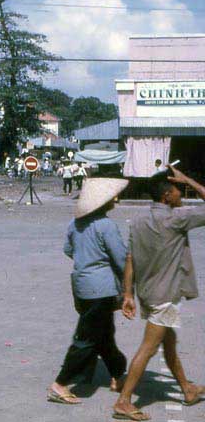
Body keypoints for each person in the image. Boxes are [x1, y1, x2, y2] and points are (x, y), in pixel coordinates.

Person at [113, 166, 205, 421]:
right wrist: (188, 177)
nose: (181, 194)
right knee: (148, 348)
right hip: (165, 297)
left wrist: (128, 293)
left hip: (147, 293)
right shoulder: (177, 218)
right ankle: (124, 400)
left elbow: (130, 258)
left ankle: (187, 389)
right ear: (167, 195)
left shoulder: (138, 220)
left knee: (169, 343)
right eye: (178, 190)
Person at [49, 178, 129, 405]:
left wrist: (86, 260)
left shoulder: (74, 224)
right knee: (86, 338)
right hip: (101, 289)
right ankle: (60, 383)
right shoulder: (106, 225)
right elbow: (122, 259)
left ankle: (117, 374)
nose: (116, 199)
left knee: (103, 334)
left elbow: (68, 250)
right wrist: (129, 285)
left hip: (82, 285)